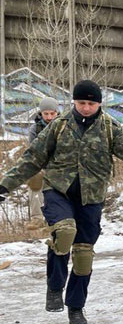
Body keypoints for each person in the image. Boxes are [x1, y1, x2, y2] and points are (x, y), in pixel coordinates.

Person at [0, 80, 123, 324]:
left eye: (91, 103)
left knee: (83, 254)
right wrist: (6, 184)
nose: (86, 108)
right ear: (74, 103)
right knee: (65, 232)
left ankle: (76, 307)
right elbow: (33, 157)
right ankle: (55, 285)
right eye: (81, 103)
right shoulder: (58, 126)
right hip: (58, 190)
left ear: (99, 103)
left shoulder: (110, 128)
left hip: (92, 196)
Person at [25, 97, 60, 231]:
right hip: (42, 163)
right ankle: (37, 218)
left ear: (57, 112)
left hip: (60, 164)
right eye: (46, 114)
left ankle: (56, 219)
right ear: (41, 113)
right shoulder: (35, 128)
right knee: (35, 181)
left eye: (52, 113)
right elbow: (33, 149)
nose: (49, 117)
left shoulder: (65, 125)